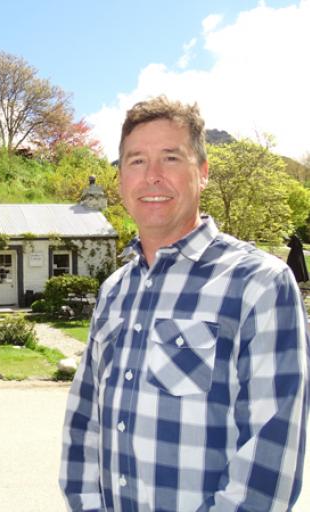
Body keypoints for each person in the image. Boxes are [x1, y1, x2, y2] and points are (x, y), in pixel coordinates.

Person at [60, 96, 309, 511]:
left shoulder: (259, 283)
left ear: (203, 172)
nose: (152, 176)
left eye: (171, 158)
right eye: (136, 161)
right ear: (120, 178)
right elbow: (84, 421)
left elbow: (269, 458)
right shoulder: (116, 290)